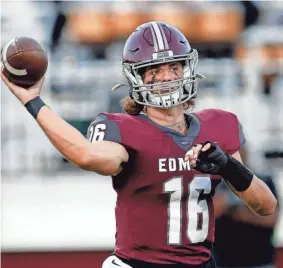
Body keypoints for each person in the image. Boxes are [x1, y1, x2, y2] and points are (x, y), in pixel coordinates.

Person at [1, 21, 277, 268]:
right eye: (154, 70)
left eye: (174, 67)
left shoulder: (220, 124)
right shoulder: (122, 128)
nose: (167, 77)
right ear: (137, 77)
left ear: (187, 69)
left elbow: (265, 206)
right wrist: (33, 101)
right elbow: (87, 156)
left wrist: (228, 166)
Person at [213, 147, 279, 268]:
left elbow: (271, 218)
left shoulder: (262, 180)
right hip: (223, 261)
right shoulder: (213, 183)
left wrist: (237, 211)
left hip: (260, 261)